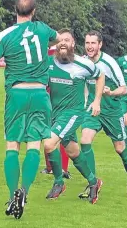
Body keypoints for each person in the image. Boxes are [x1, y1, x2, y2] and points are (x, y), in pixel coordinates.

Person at [0, 0, 62, 219]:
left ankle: (12, 196)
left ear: (15, 11)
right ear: (34, 11)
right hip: (39, 92)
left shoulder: (5, 35)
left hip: (17, 93)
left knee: (12, 145)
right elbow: (58, 39)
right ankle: (24, 193)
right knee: (33, 146)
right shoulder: (42, 29)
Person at [43, 28, 105, 204]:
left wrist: (97, 101)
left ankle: (58, 182)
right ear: (55, 44)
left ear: (73, 44)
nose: (63, 42)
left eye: (67, 40)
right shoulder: (48, 63)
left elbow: (100, 76)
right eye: (60, 40)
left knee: (48, 143)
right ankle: (94, 182)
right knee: (73, 151)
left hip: (73, 113)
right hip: (55, 113)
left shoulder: (83, 64)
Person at [79, 30, 127, 199]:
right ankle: (92, 183)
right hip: (93, 109)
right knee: (84, 141)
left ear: (100, 44)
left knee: (120, 148)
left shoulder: (109, 63)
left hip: (112, 111)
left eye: (93, 43)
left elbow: (124, 88)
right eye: (87, 43)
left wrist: (110, 92)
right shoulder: (84, 62)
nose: (89, 47)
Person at [40, 47, 71, 179]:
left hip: (53, 102)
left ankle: (53, 168)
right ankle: (59, 168)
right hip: (57, 102)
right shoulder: (66, 55)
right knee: (59, 136)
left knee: (50, 135)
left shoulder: (46, 55)